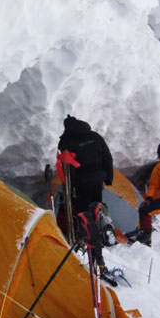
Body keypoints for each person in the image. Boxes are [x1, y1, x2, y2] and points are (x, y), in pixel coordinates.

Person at [57, 115, 114, 276]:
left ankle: (90, 242)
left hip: (81, 183)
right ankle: (102, 228)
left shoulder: (67, 142)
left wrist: (72, 186)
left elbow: (68, 167)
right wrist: (108, 177)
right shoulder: (95, 136)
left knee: (84, 215)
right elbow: (107, 157)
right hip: (97, 180)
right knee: (95, 208)